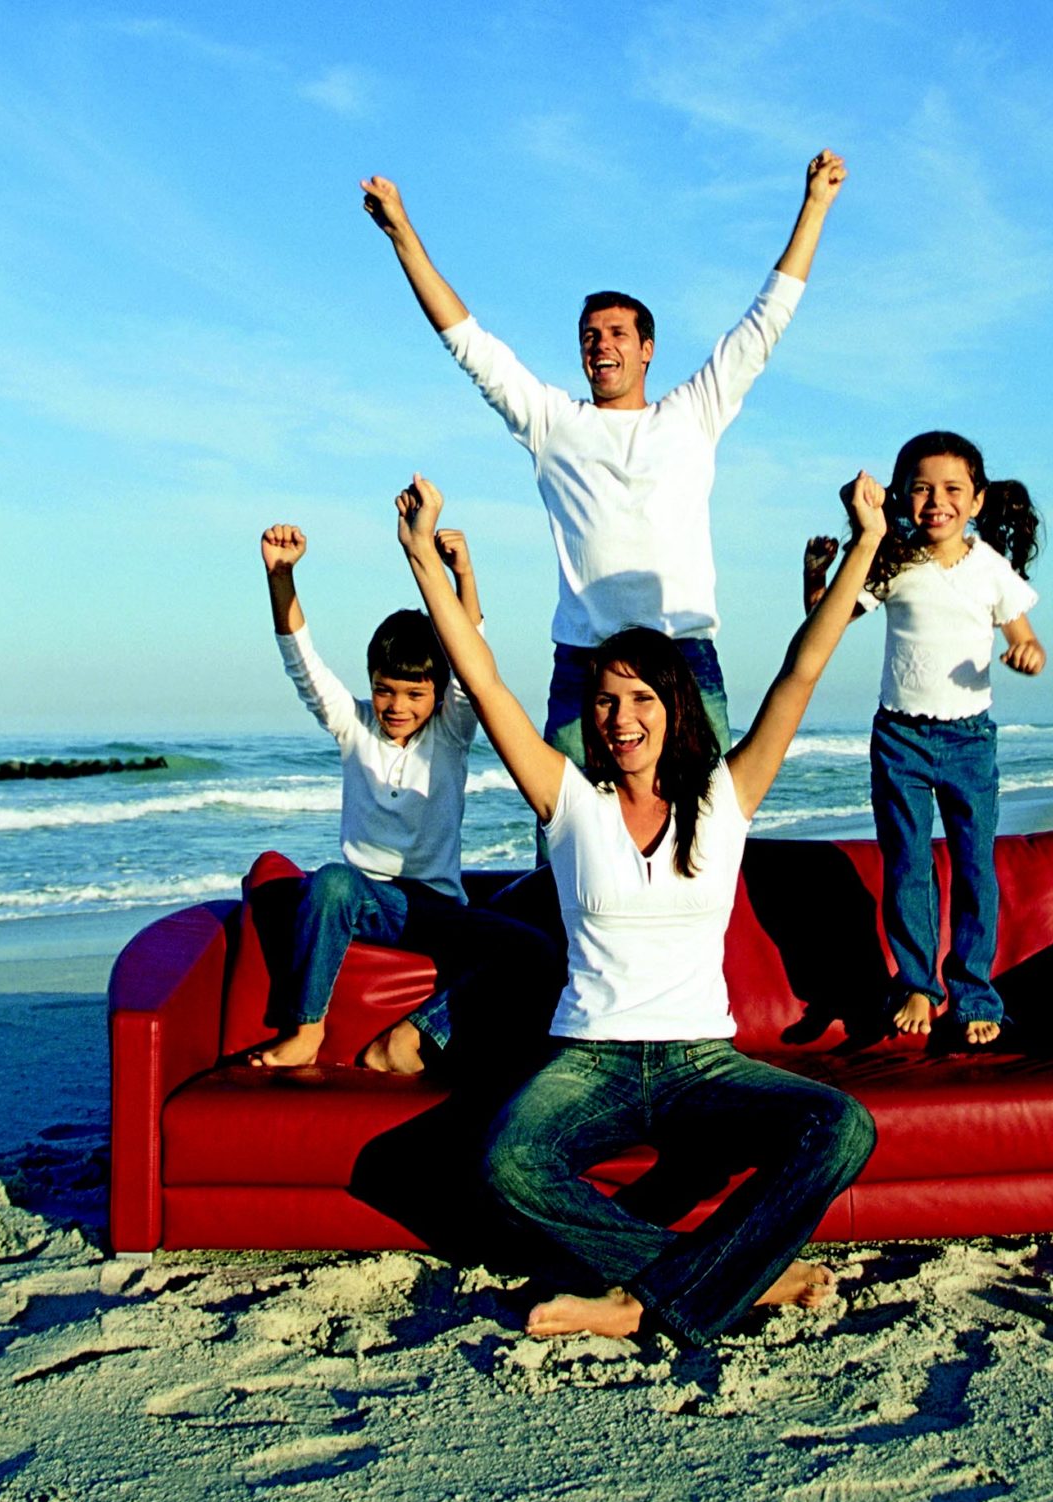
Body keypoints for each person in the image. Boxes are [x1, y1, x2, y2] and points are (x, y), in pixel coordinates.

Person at [394, 468, 884, 1348]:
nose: (622, 719)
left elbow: (801, 671)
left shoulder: (725, 799)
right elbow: (486, 683)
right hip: (591, 1062)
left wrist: (868, 542)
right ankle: (736, 1279)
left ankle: (638, 1303)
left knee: (841, 1127)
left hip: (704, 1063)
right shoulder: (569, 803)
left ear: (674, 708)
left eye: (642, 700)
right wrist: (423, 555)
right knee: (506, 1164)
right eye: (606, 701)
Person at [359, 151, 846, 764]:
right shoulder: (554, 423)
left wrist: (814, 206)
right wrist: (402, 235)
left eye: (617, 333)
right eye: (589, 336)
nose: (600, 345)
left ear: (647, 349)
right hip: (585, 663)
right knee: (564, 819)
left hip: (683, 656)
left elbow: (765, 322)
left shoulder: (694, 412)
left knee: (707, 818)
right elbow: (468, 343)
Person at [251, 521, 557, 1073]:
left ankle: (414, 1038)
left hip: (437, 909)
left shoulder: (452, 730)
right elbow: (302, 662)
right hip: (367, 900)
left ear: (436, 693)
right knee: (330, 881)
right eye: (384, 690)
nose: (397, 706)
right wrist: (281, 577)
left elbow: (473, 664)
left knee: (533, 948)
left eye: (415, 694)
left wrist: (464, 574)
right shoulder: (353, 725)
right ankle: (307, 1027)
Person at [804, 430, 1046, 1047]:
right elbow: (828, 618)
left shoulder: (989, 568)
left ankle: (974, 993)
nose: (936, 501)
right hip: (900, 737)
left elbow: (1025, 636)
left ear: (977, 500)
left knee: (974, 866)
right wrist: (815, 574)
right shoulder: (895, 562)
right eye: (921, 489)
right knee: (908, 862)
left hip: (969, 740)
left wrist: (1026, 652)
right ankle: (916, 982)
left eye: (952, 489)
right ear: (901, 497)